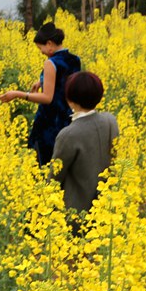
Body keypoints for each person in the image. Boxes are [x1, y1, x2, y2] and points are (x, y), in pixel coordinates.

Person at [0, 23, 82, 164]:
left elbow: (47, 98)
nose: (41, 52)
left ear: (49, 44)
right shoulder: (75, 59)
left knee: (43, 164)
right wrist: (42, 81)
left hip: (50, 122)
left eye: (40, 48)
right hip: (68, 118)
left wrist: (18, 94)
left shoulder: (50, 63)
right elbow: (65, 80)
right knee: (62, 162)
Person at [51, 71, 119, 223]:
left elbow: (55, 177)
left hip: (76, 213)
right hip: (108, 209)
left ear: (70, 101)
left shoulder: (68, 134)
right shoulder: (111, 120)